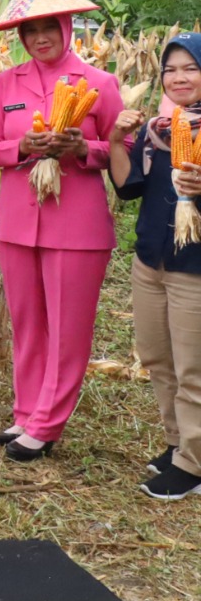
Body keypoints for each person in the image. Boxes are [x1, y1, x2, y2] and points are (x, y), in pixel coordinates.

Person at [0, 0, 122, 461]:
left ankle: (47, 423)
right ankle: (26, 412)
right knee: (28, 321)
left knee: (67, 328)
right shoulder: (7, 82)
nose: (40, 37)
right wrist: (21, 146)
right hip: (18, 220)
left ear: (67, 27)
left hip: (76, 223)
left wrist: (84, 147)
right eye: (30, 30)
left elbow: (118, 153)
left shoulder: (99, 83)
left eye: (49, 28)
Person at [109, 31, 201, 500]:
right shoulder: (158, 131)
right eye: (171, 69)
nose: (179, 77)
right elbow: (128, 188)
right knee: (157, 357)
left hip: (194, 268)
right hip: (151, 259)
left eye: (190, 68)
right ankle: (176, 440)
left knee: (193, 369)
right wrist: (115, 139)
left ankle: (194, 461)